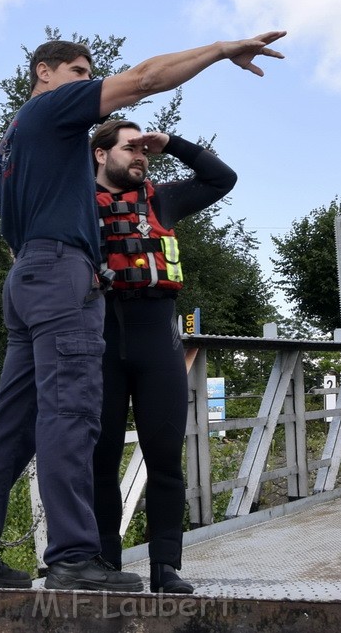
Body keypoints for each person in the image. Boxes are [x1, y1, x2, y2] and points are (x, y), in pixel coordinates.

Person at [0, 32, 286, 592]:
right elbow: (147, 78)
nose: (88, 81)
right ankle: (74, 557)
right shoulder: (52, 110)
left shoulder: (10, 145)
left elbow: (10, 229)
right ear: (44, 73)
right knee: (70, 416)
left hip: (27, 275)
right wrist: (221, 50)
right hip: (60, 277)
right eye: (79, 71)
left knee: (10, 426)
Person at [90, 120, 236, 593]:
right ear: (100, 155)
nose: (141, 155)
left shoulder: (161, 199)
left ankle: (165, 567)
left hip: (158, 334)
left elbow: (222, 179)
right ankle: (105, 565)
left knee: (164, 456)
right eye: (129, 147)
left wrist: (172, 144)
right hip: (101, 335)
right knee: (100, 458)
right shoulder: (74, 202)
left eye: (144, 149)